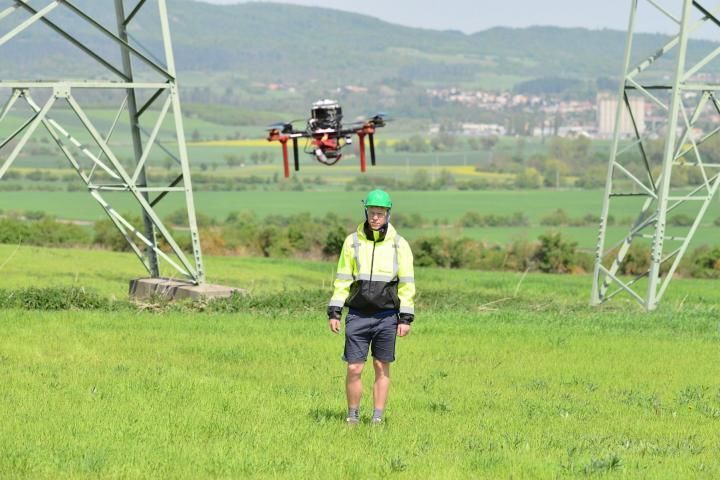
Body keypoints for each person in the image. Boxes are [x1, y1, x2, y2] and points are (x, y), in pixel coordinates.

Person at [327, 189, 415, 425]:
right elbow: (343, 278)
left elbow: (407, 282)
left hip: (387, 316)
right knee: (355, 367)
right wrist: (335, 311)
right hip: (357, 314)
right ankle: (352, 416)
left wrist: (405, 318)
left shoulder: (399, 244)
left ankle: (377, 418)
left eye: (380, 213)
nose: (375, 217)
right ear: (366, 211)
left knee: (380, 365)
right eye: (372, 212)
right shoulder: (352, 242)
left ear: (388, 213)